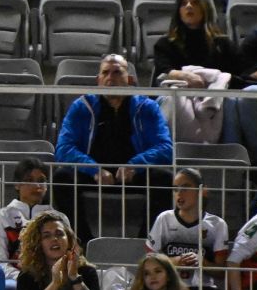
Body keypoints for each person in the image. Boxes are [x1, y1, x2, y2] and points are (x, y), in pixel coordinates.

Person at [54, 54, 174, 223]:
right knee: (62, 178)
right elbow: (63, 149)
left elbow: (165, 148)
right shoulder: (81, 106)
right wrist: (94, 170)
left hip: (134, 175)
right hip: (94, 175)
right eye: (106, 73)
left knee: (165, 179)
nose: (110, 78)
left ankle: (147, 243)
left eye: (117, 72)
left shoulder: (147, 107)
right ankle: (81, 241)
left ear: (129, 79)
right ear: (98, 79)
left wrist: (135, 166)